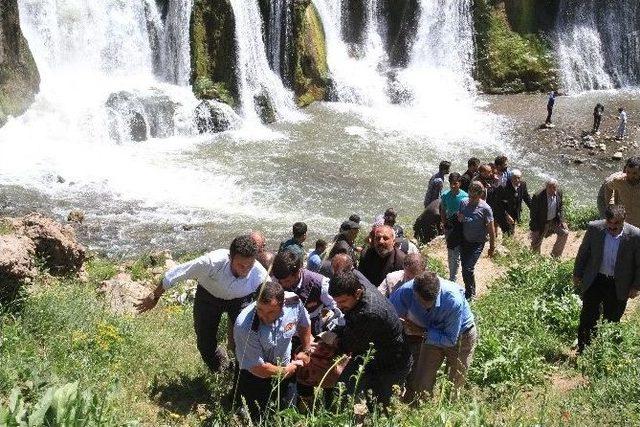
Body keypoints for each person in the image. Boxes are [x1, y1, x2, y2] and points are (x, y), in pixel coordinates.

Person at [136, 235, 268, 372]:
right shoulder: (211, 262)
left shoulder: (258, 272)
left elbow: (274, 293)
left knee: (246, 335)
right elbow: (178, 273)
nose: (245, 269)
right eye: (240, 265)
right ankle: (220, 368)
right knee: (205, 342)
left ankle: (243, 371)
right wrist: (155, 295)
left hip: (239, 301)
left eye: (249, 265)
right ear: (230, 258)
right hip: (208, 298)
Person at [328, 271, 411, 406]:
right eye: (337, 302)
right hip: (372, 353)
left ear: (357, 293)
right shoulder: (359, 284)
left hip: (391, 363)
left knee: (381, 406)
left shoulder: (369, 313)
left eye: (343, 301)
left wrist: (334, 341)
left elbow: (350, 344)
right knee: (342, 391)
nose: (339, 306)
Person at [390, 271, 476, 399]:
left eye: (430, 303)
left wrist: (420, 331)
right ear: (415, 292)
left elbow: (450, 339)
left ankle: (449, 413)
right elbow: (389, 312)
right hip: (430, 332)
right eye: (421, 301)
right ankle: (419, 410)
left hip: (460, 337)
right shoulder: (406, 291)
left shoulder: (453, 300)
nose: (425, 307)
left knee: (455, 383)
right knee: (422, 380)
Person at [233, 281, 312, 420]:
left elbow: (304, 324)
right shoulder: (245, 325)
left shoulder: (293, 303)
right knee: (259, 419)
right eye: (260, 310)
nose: (264, 316)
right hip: (256, 379)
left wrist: (306, 351)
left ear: (282, 306)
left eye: (270, 311)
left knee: (287, 415)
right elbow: (258, 368)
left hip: (286, 371)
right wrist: (286, 371)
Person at [573, 205, 640, 353]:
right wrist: (577, 274)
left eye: (616, 225)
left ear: (623, 220)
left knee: (612, 319)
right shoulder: (594, 228)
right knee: (588, 316)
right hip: (595, 279)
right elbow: (583, 252)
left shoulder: (635, 235)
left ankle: (604, 351)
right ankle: (584, 349)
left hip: (619, 283)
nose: (612, 228)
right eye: (609, 224)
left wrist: (636, 286)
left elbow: (638, 264)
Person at [271, 250, 342, 336]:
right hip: (283, 330)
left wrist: (324, 323)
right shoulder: (275, 280)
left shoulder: (319, 284)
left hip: (311, 330)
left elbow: (335, 307)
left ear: (297, 272)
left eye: (287, 281)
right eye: (280, 281)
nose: (283, 285)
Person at [457, 181, 496, 299]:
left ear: (480, 195)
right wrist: (460, 218)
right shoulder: (463, 203)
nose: (471, 199)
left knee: (468, 268)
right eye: (469, 196)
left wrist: (492, 247)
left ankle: (471, 294)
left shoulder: (485, 208)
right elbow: (459, 218)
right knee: (464, 269)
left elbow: (491, 228)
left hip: (477, 243)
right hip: (464, 240)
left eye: (474, 197)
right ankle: (469, 289)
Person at [440, 172, 468, 282]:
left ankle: (453, 277)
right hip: (449, 227)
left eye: (455, 183)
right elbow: (442, 210)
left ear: (459, 183)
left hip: (461, 228)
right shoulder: (445, 195)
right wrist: (444, 222)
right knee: (450, 251)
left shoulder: (465, 197)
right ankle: (452, 272)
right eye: (451, 183)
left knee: (455, 252)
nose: (453, 186)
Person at [529, 179, 568, 258]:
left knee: (564, 233)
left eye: (554, 187)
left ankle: (555, 255)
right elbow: (533, 214)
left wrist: (562, 220)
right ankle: (535, 259)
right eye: (550, 187)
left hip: (554, 221)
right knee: (536, 242)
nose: (552, 190)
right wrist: (535, 229)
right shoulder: (538, 196)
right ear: (546, 187)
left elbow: (560, 207)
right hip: (541, 222)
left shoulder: (559, 192)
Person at [604, 157, 640, 227]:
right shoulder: (619, 181)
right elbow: (608, 186)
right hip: (623, 222)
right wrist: (609, 206)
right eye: (628, 172)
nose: (630, 176)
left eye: (635, 173)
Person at [493, 169, 531, 236]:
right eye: (514, 178)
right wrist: (506, 215)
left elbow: (526, 197)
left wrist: (533, 208)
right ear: (510, 178)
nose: (517, 180)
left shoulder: (523, 184)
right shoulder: (503, 187)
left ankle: (508, 239)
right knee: (507, 232)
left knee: (511, 231)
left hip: (515, 211)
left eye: (518, 178)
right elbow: (497, 203)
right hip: (504, 212)